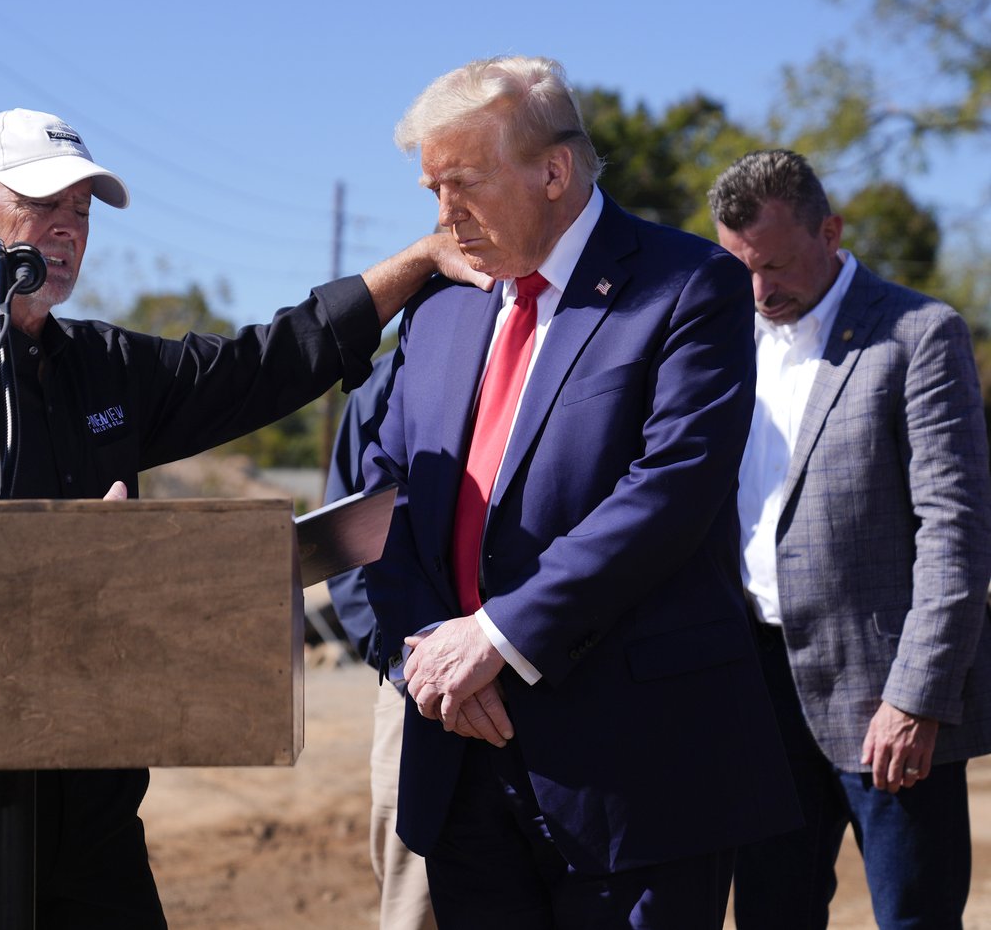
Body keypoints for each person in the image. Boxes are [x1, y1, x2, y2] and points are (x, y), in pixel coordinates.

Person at [0, 107, 486, 929]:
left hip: (92, 817)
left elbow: (262, 364)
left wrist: (418, 263)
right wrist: (60, 574)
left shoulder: (103, 367)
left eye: (82, 211)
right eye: (41, 204)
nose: (66, 230)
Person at [358, 56, 802, 929]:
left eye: (463, 185)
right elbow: (385, 491)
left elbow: (670, 489)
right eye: (431, 189)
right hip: (462, 757)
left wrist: (497, 634)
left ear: (553, 172)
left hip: (634, 776)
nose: (443, 217)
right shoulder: (441, 304)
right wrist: (429, 652)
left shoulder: (688, 285)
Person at [708, 148, 991, 929]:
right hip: (758, 691)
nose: (759, 291)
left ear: (829, 231)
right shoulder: (724, 341)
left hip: (886, 697)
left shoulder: (918, 334)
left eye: (775, 264)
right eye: (740, 271)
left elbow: (955, 531)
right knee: (771, 914)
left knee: (915, 918)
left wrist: (915, 696)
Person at [325, 351, 437, 930]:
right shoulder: (394, 375)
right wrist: (398, 657)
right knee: (414, 897)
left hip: (543, 673)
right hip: (416, 690)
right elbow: (344, 529)